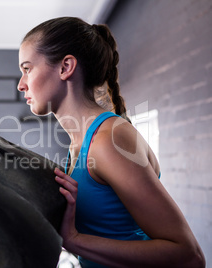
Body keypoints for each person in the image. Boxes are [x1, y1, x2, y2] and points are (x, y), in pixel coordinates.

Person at [17, 17, 205, 268]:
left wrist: (74, 241)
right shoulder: (79, 145)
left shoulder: (109, 140)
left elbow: (188, 257)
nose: (21, 84)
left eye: (27, 69)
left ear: (65, 67)